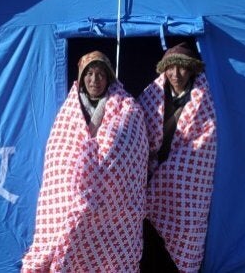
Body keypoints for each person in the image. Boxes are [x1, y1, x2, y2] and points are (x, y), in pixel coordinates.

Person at [22, 51, 149, 272]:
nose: (94, 80)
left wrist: (102, 168)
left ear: (108, 78)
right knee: (69, 237)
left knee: (110, 253)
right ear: (81, 78)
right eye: (89, 74)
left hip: (112, 203)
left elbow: (131, 153)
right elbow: (60, 156)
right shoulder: (69, 113)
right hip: (73, 199)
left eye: (100, 74)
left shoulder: (127, 110)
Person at [138, 42, 217, 273]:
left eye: (182, 68)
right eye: (171, 68)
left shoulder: (204, 102)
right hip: (150, 179)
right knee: (149, 237)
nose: (176, 74)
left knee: (184, 233)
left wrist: (174, 169)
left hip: (183, 190)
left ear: (192, 69)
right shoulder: (151, 97)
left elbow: (205, 144)